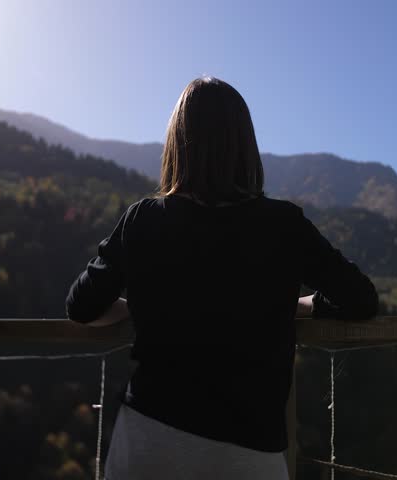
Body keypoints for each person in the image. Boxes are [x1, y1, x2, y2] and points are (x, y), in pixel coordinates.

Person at [65, 76, 380, 479]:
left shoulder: (143, 220)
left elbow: (82, 306)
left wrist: (139, 307)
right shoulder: (283, 225)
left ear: (177, 143)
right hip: (248, 455)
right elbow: (361, 299)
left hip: (149, 442)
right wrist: (300, 305)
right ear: (244, 145)